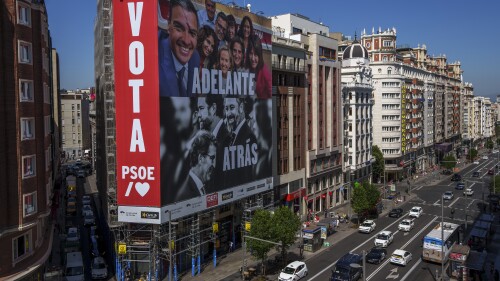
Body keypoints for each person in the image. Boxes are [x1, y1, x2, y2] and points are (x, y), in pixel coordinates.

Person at [159, 0, 200, 97]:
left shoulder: (195, 58)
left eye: (192, 33)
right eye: (179, 28)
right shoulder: (153, 54)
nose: (186, 41)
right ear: (169, 24)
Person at [175, 131, 217, 202]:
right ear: (200, 158)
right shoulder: (186, 195)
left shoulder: (200, 187)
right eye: (212, 158)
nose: (214, 164)